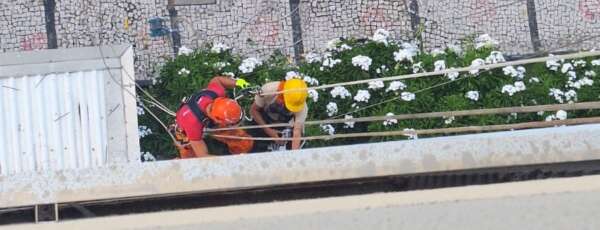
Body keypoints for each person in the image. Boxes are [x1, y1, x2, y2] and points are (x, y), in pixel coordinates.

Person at [174, 76, 253, 158]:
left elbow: (217, 80)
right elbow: (202, 155)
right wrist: (226, 164)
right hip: (186, 131)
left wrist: (237, 82)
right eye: (231, 124)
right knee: (192, 161)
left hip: (209, 118)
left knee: (243, 142)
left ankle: (240, 153)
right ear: (217, 120)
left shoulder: (215, 93)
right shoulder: (192, 124)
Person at [249, 78, 308, 152]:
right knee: (252, 144)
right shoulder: (267, 90)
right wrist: (268, 131)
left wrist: (294, 155)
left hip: (284, 125)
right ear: (282, 94)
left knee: (297, 142)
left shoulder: (301, 106)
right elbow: (253, 110)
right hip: (263, 120)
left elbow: (297, 132)